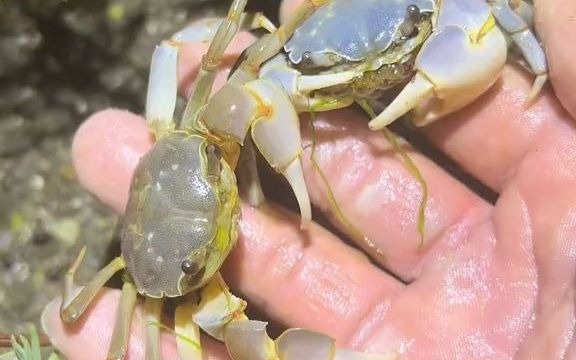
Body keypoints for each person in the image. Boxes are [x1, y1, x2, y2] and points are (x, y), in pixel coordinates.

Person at [41, 0, 576, 358]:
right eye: (196, 261)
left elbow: (214, 61)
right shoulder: (180, 295)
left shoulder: (206, 124)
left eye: (217, 181)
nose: (228, 211)